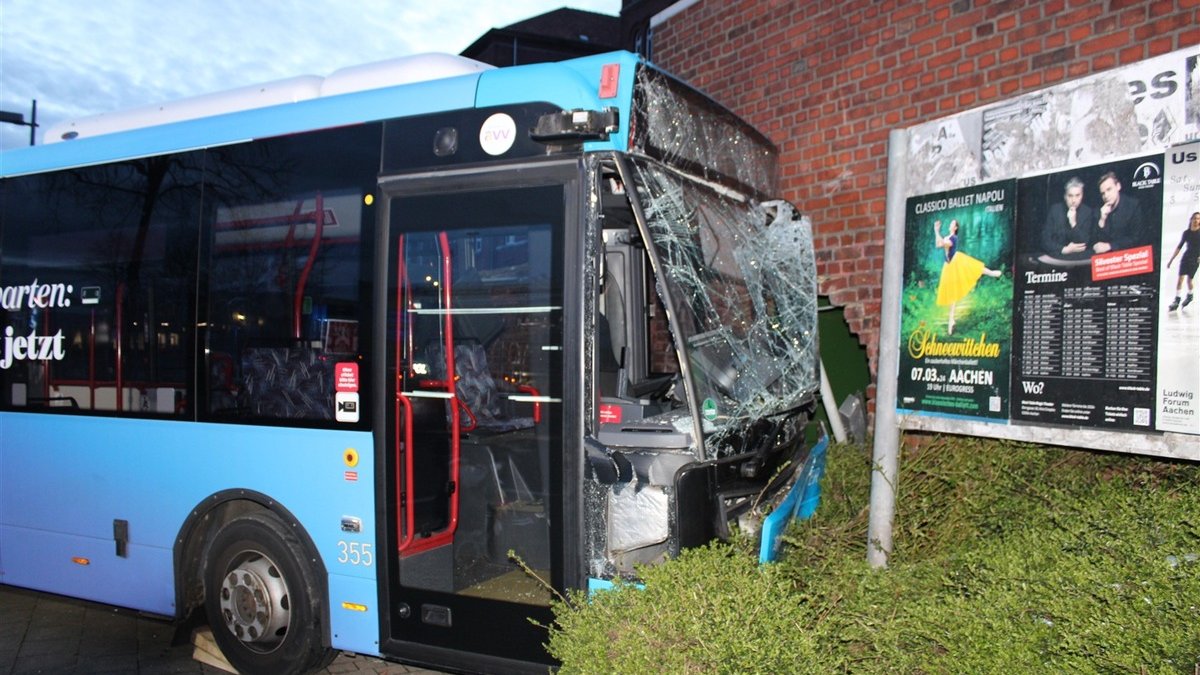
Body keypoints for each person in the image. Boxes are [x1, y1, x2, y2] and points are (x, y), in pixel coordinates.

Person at [934, 219, 1002, 335]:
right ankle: (951, 319)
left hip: (956, 261)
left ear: (955, 227)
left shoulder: (953, 238)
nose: (950, 224)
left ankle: (991, 273)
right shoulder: (946, 237)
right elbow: (938, 244)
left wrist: (937, 231)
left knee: (974, 267)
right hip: (948, 265)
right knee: (952, 292)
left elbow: (945, 244)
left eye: (952, 224)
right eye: (950, 223)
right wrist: (936, 231)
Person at [1037, 176, 1095, 265]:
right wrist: (1064, 249)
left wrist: (1073, 224)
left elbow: (1084, 243)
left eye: (1077, 195)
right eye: (1070, 196)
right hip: (1056, 257)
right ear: (1065, 196)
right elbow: (1044, 240)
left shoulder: (1087, 212)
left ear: (1082, 195)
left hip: (1078, 259)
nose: (1074, 200)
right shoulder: (1055, 210)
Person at [1092, 171, 1146, 253]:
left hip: (1130, 257)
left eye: (1109, 189)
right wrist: (1102, 219)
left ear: (1118, 186)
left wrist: (1110, 246)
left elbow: (1136, 238)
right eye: (1103, 193)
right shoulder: (1098, 210)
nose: (1106, 196)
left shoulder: (1133, 205)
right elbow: (1096, 244)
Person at [1166, 211, 1200, 311]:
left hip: (1195, 258)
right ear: (1191, 220)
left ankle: (1190, 295)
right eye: (1194, 218)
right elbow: (1179, 247)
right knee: (1180, 279)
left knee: (1189, 280)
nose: (1196, 220)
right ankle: (1177, 300)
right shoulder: (1186, 233)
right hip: (1186, 257)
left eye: (1198, 219)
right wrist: (1171, 260)